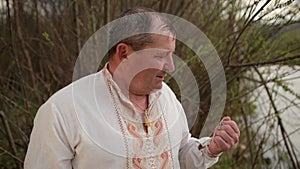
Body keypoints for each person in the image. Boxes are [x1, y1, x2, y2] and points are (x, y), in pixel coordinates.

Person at [24, 7, 240, 169]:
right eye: (160, 56)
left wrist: (211, 148)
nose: (171, 66)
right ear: (124, 52)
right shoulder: (61, 111)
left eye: (171, 55)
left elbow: (181, 153)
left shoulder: (166, 96)